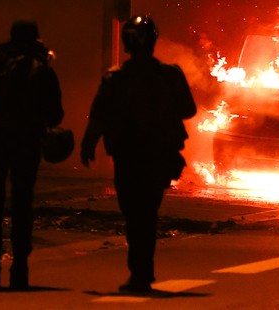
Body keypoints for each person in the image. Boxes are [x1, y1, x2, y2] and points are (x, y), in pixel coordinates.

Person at [80, 15, 197, 294]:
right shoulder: (170, 75)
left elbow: (98, 116)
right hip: (157, 155)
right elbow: (188, 110)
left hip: (128, 155)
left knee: (135, 213)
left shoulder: (115, 78)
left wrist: (88, 144)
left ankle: (140, 272)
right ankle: (142, 271)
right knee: (147, 212)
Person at [0, 20, 64, 290]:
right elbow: (56, 113)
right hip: (26, 142)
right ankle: (20, 269)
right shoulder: (42, 70)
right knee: (21, 203)